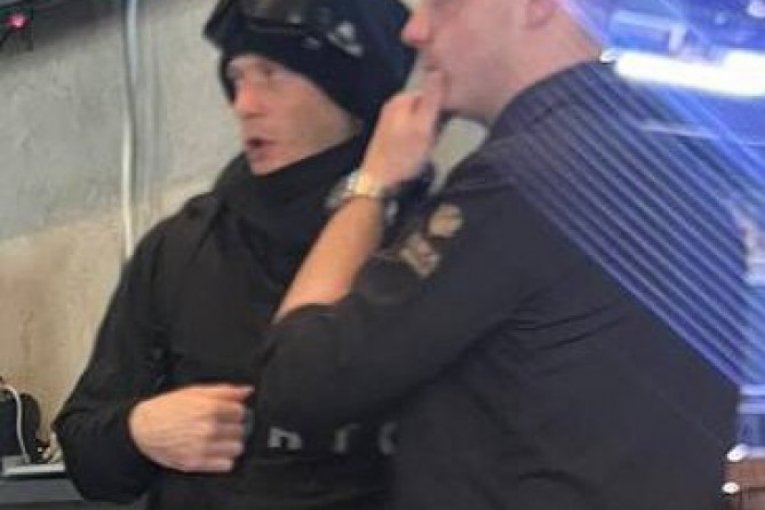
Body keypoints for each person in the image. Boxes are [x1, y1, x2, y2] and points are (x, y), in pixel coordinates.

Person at [256, 0, 743, 509]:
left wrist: (372, 185)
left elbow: (301, 379)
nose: (414, 31)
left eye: (442, 6)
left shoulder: (524, 180)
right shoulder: (686, 164)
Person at [54, 0, 417, 509]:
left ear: (350, 93)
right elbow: (84, 451)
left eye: (271, 75)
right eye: (236, 78)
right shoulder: (183, 246)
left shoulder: (429, 240)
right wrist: (138, 430)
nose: (244, 104)